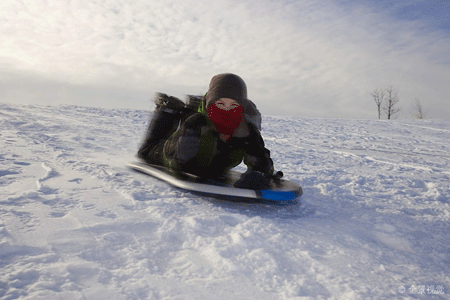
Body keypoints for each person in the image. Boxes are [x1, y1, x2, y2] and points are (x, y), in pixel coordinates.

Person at [137, 73, 281, 188]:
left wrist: (259, 173)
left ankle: (193, 105)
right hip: (170, 152)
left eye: (233, 105)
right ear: (211, 103)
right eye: (220, 104)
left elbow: (262, 159)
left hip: (212, 163)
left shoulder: (246, 130)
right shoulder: (195, 124)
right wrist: (183, 162)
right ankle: (168, 109)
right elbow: (176, 164)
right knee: (145, 152)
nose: (226, 109)